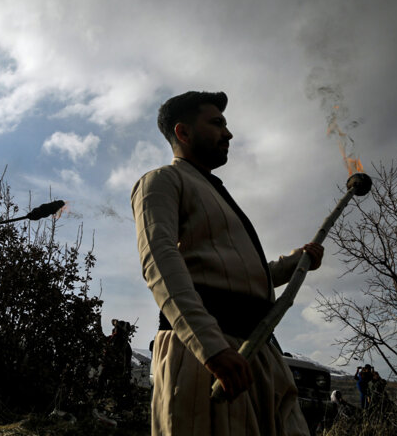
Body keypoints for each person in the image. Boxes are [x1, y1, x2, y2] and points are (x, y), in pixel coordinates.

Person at [131, 91, 324, 435]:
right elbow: (159, 262)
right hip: (204, 352)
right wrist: (210, 346)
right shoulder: (161, 181)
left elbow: (237, 273)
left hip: (258, 353)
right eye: (217, 123)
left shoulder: (215, 193)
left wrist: (297, 262)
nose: (228, 133)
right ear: (183, 133)